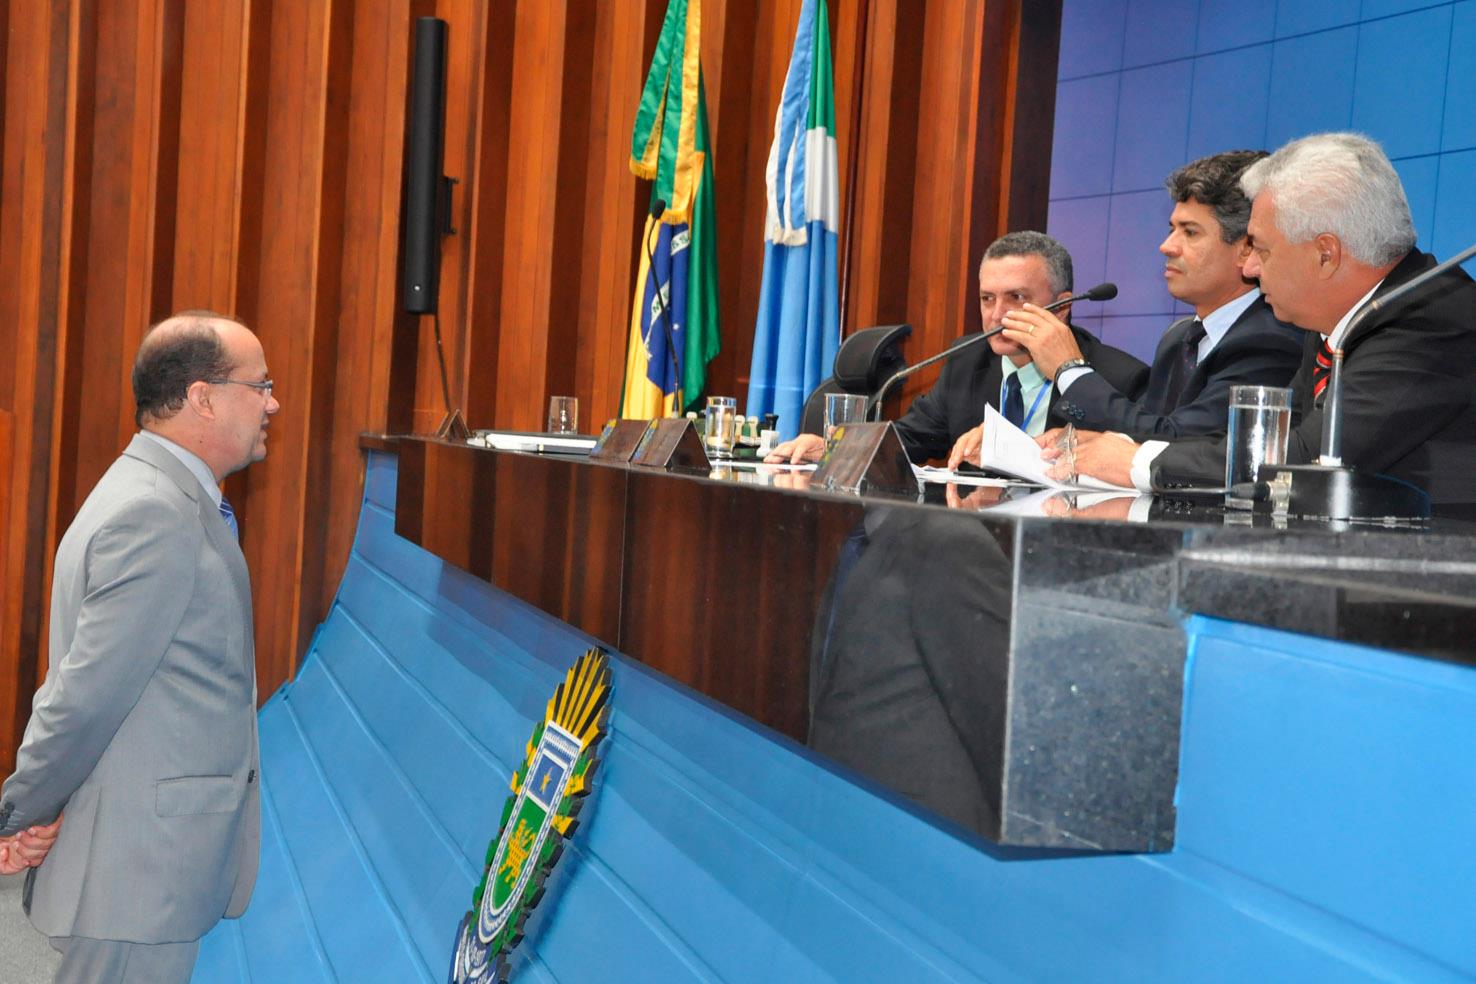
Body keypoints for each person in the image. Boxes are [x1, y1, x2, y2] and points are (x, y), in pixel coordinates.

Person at [0, 311, 280, 983]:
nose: (272, 404)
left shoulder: (154, 493)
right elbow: (83, 698)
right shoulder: (156, 513)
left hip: (141, 866)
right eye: (260, 386)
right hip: (139, 874)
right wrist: (22, 812)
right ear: (202, 397)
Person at [1042, 133, 1476, 505]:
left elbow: (1305, 459)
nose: (1250, 268)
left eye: (1263, 250)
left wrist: (1137, 461)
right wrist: (1117, 447)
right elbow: (1261, 444)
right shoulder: (1332, 326)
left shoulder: (1430, 319)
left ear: (1325, 254)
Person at [766, 232, 1149, 467]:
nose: (997, 315)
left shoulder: (1118, 378)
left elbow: (1137, 470)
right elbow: (910, 438)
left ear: (1062, 307)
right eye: (987, 299)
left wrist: (1015, 450)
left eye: (1016, 298)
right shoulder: (967, 359)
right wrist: (836, 449)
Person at [999, 150, 1303, 437]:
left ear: (1246, 248)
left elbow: (1177, 443)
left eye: (1190, 232)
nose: (1166, 246)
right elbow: (1142, 430)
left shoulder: (1272, 340)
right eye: (1172, 229)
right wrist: (1071, 444)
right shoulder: (1178, 338)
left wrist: (1068, 369)